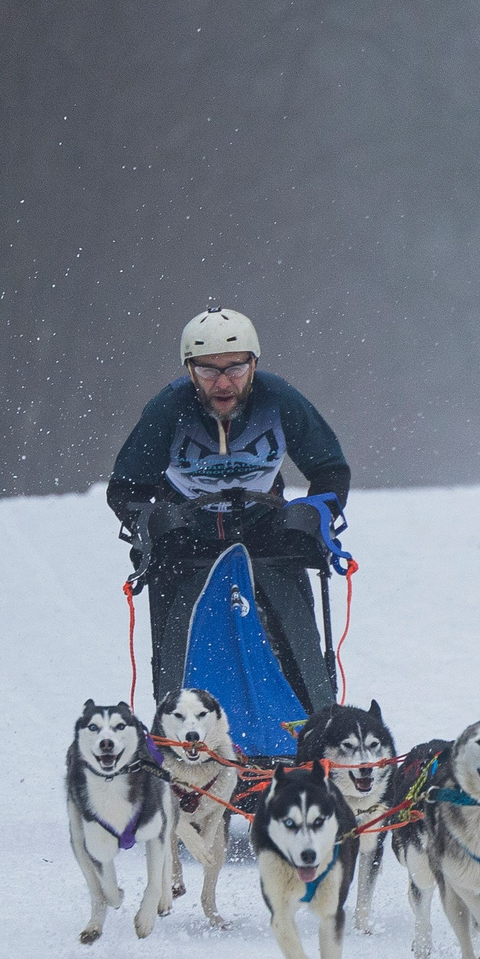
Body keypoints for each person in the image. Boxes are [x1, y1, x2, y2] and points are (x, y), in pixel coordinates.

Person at [108, 304, 350, 711]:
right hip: (186, 536)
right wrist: (151, 519)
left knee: (297, 638)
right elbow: (126, 487)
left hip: (265, 528)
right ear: (190, 370)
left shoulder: (280, 399)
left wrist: (314, 512)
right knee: (178, 646)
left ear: (253, 365)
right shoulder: (167, 409)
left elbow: (329, 468)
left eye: (235, 368)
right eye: (208, 370)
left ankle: (315, 722)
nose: (223, 382)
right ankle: (173, 726)